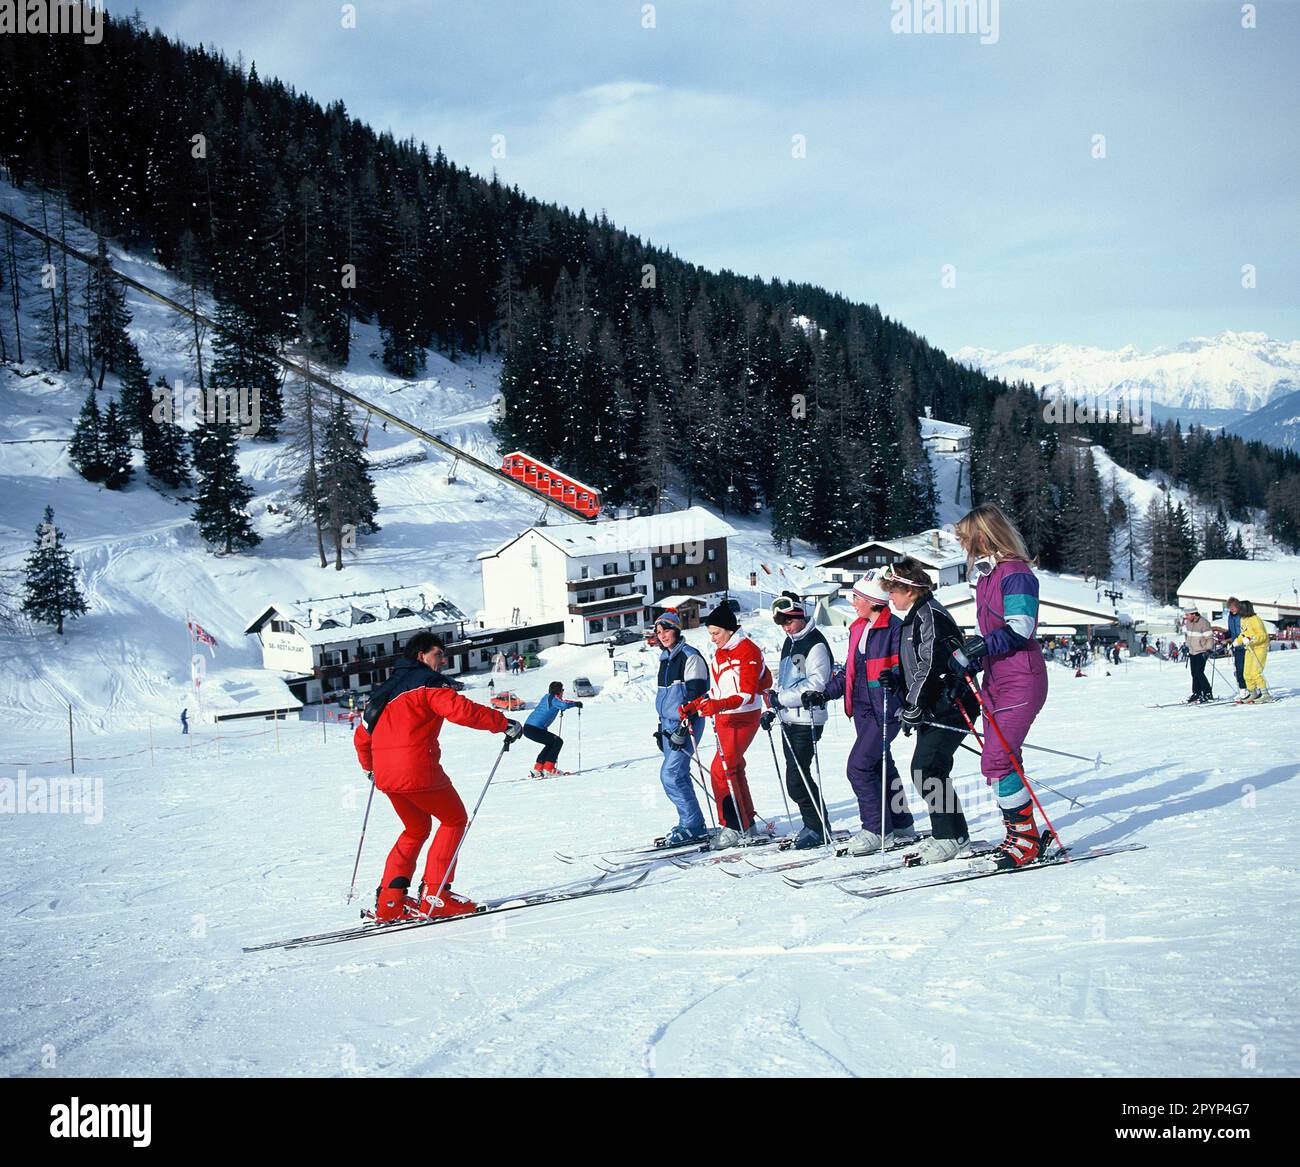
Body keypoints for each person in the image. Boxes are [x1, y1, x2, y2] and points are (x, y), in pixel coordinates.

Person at [353, 632, 522, 921]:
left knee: (415, 829)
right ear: (421, 656)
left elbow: (361, 737)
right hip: (416, 769)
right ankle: (437, 895)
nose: (443, 660)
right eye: (438, 654)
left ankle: (391, 902)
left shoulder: (383, 691)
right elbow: (460, 710)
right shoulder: (428, 683)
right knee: (454, 819)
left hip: (386, 776)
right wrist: (502, 723)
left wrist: (370, 768)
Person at [953, 504, 1050, 869]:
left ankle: (1025, 841)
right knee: (1003, 759)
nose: (963, 546)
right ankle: (1020, 833)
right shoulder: (986, 577)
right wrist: (969, 661)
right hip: (997, 677)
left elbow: (1019, 628)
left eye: (965, 538)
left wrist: (978, 648)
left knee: (995, 760)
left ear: (982, 536)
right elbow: (986, 634)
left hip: (1021, 678)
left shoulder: (1016, 574)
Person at [880, 557, 977, 864]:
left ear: (909, 589)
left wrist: (913, 704)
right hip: (935, 705)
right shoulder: (915, 616)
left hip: (952, 703)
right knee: (930, 770)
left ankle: (948, 836)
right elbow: (917, 668)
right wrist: (898, 681)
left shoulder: (929, 615)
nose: (889, 597)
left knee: (927, 770)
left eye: (892, 591)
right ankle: (955, 836)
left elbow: (932, 665)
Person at [818, 570, 916, 854]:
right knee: (881, 764)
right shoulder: (858, 628)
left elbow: (909, 670)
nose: (852, 602)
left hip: (886, 708)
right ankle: (901, 822)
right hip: (861, 709)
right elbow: (852, 672)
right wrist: (825, 692)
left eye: (856, 597)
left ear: (873, 601)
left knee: (859, 767)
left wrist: (896, 681)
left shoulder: (895, 629)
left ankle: (877, 830)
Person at [680, 602, 772, 848]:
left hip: (743, 717)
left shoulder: (747, 650)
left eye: (716, 633)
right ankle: (746, 821)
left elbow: (747, 695)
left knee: (721, 770)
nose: (712, 639)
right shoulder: (721, 653)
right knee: (733, 768)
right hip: (724, 718)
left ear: (730, 629)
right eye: (710, 634)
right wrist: (697, 704)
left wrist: (718, 706)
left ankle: (732, 825)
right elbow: (719, 690)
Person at [762, 591, 835, 849]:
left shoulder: (814, 643)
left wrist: (780, 700)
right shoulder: (791, 642)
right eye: (781, 624)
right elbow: (787, 682)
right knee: (797, 777)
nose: (785, 628)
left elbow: (816, 684)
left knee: (797, 779)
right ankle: (815, 824)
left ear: (801, 616)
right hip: (789, 720)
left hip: (808, 720)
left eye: (789, 622)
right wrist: (772, 707)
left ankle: (817, 827)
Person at [652, 610, 710, 846]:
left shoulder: (690, 657)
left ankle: (693, 824)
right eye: (658, 632)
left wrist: (684, 728)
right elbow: (666, 698)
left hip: (686, 724)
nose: (662, 635)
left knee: (670, 775)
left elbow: (696, 696)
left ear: (676, 629)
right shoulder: (666, 659)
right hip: (669, 726)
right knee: (680, 774)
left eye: (666, 630)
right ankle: (691, 822)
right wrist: (661, 727)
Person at [523, 681, 582, 775]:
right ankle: (549, 769)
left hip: (528, 728)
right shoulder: (554, 698)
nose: (563, 692)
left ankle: (538, 769)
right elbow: (564, 704)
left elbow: (560, 704)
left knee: (551, 743)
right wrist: (575, 703)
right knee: (558, 741)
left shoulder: (547, 697)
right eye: (562, 690)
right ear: (559, 691)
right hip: (534, 728)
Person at [1232, 600, 1272, 703]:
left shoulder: (1256, 620)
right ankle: (1252, 693)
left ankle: (1265, 693)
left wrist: (1251, 639)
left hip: (1260, 648)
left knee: (1255, 672)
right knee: (1246, 673)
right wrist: (1237, 641)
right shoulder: (1243, 619)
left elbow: (1262, 636)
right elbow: (1244, 634)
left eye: (1239, 608)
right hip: (1249, 648)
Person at [1182, 607, 1215, 703]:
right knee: (1194, 673)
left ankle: (1207, 693)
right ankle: (1197, 693)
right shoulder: (1188, 623)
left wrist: (1208, 650)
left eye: (1187, 615)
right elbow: (1188, 636)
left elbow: (1209, 637)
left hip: (1202, 651)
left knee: (1199, 672)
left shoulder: (1204, 623)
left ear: (1193, 614)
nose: (1186, 617)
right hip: (1192, 651)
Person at [1223, 597, 1248, 701]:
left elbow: (1244, 630)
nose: (1231, 610)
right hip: (1236, 646)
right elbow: (1231, 630)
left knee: (1246, 670)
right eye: (1230, 608)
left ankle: (1252, 689)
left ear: (1238, 606)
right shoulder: (1230, 616)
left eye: (1233, 608)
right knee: (1238, 670)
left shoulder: (1242, 616)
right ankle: (1243, 690)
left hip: (1245, 645)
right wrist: (1225, 637)